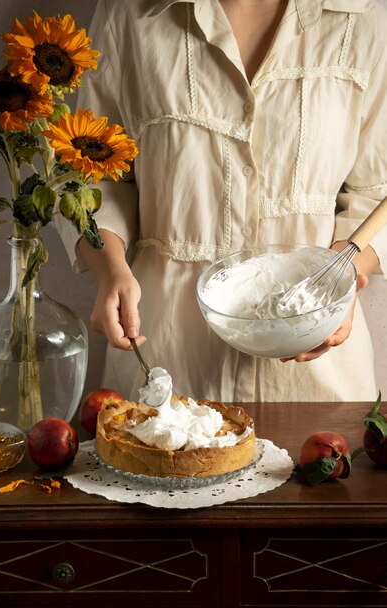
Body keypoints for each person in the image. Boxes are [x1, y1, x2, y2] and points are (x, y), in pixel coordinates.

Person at [56, 0, 387, 402]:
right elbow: (92, 175)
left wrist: (338, 279)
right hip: (167, 364)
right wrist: (109, 271)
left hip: (316, 377)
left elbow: (377, 191)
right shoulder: (129, 14)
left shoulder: (366, 17)